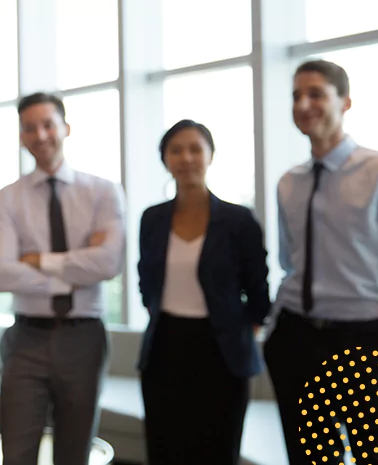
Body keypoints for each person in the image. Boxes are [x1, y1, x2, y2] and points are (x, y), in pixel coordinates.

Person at [264, 59, 378, 464]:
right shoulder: (289, 182)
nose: (304, 103)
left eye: (316, 93)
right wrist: (273, 333)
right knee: (311, 460)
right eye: (296, 95)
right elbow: (291, 266)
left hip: (362, 344)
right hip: (295, 339)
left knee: (376, 458)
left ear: (346, 101)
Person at [0, 92, 126, 465]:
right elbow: (0, 273)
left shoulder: (102, 192)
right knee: (16, 454)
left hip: (85, 337)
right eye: (29, 128)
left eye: (48, 124)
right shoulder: (8, 199)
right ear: (21, 136)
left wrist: (38, 261)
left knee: (74, 455)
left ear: (65, 128)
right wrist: (76, 269)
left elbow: (109, 263)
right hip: (25, 339)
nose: (40, 134)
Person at [136, 119, 270, 465]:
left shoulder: (239, 221)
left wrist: (242, 329)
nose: (186, 158)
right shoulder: (152, 219)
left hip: (222, 352)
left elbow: (258, 291)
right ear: (165, 159)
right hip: (164, 347)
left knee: (217, 449)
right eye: (176, 150)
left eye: (195, 148)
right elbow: (145, 279)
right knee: (166, 449)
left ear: (210, 155)